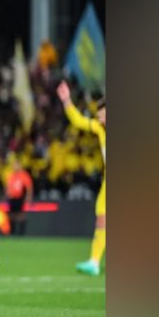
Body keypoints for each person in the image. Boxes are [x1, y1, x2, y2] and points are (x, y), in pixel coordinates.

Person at [56, 80, 106, 276]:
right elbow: (78, 121)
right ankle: (94, 262)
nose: (99, 118)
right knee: (102, 218)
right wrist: (67, 101)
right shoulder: (100, 128)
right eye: (98, 115)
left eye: (101, 115)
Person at [4, 158, 34, 235]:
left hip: (20, 197)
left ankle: (21, 232)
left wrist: (28, 196)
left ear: (20, 166)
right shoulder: (11, 175)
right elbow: (8, 187)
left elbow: (29, 186)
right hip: (12, 198)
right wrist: (6, 195)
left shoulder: (24, 175)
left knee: (21, 214)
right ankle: (12, 231)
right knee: (11, 214)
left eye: (16, 165)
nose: (14, 167)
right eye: (14, 165)